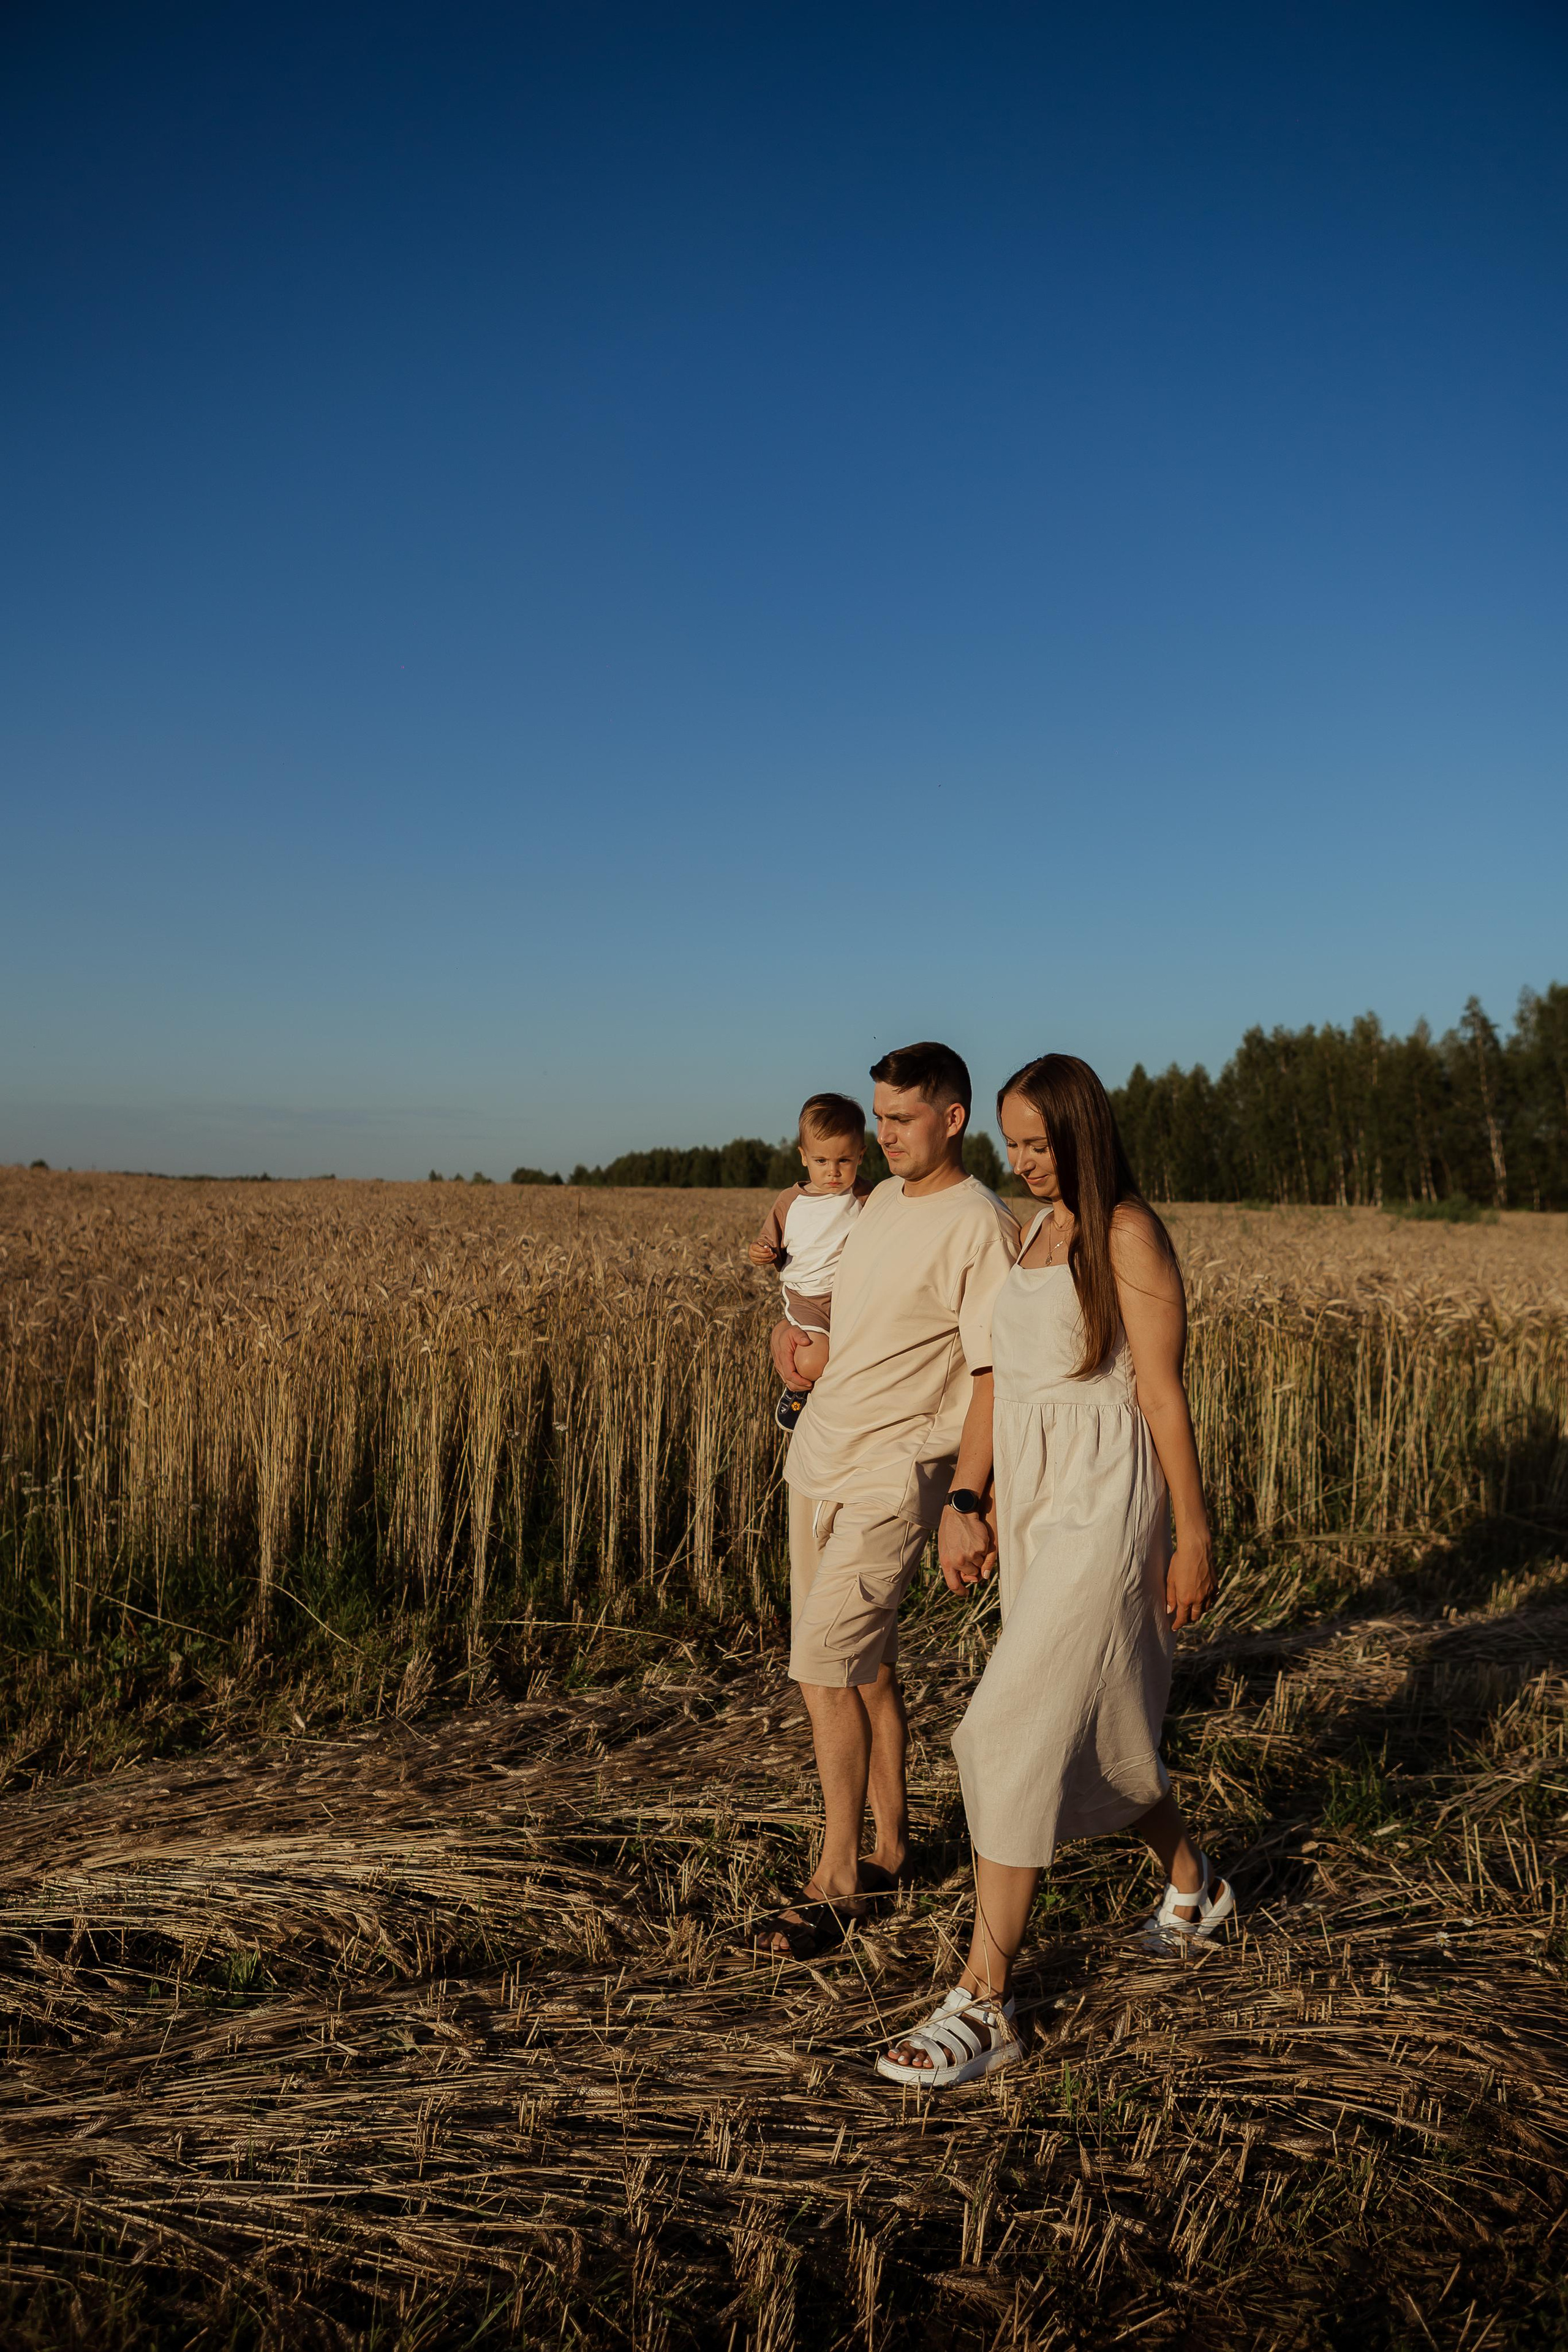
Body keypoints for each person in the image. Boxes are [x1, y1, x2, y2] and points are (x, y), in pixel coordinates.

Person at [877, 1053, 1232, 2089]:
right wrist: (967, 1498)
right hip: (1032, 1505)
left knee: (1007, 1730)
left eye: (1041, 1144)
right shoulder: (1028, 1233)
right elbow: (1003, 1384)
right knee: (1102, 1724)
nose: (1024, 1162)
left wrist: (1193, 1534)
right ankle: (1195, 1883)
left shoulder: (1128, 1233)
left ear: (1084, 1134)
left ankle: (986, 1998)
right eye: (1014, 1144)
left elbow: (1163, 1397)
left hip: (1107, 1507)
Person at [753, 1042, 1019, 1961]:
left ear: (953, 1118)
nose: (884, 1134)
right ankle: (893, 1847)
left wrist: (968, 1496)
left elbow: (992, 1372)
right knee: (865, 1669)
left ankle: (835, 1881)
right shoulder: (870, 1208)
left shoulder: (978, 1223)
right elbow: (835, 1309)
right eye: (879, 1117)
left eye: (902, 1118)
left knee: (821, 1665)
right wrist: (796, 1351)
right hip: (818, 1456)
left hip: (895, 1473)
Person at [748, 1094, 872, 1434]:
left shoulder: (868, 1197)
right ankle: (798, 1392)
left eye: (844, 1160)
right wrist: (761, 1251)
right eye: (821, 1161)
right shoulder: (791, 1202)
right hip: (807, 1297)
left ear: (861, 1154)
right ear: (803, 1157)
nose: (833, 1171)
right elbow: (766, 1242)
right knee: (813, 1359)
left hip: (851, 1298)